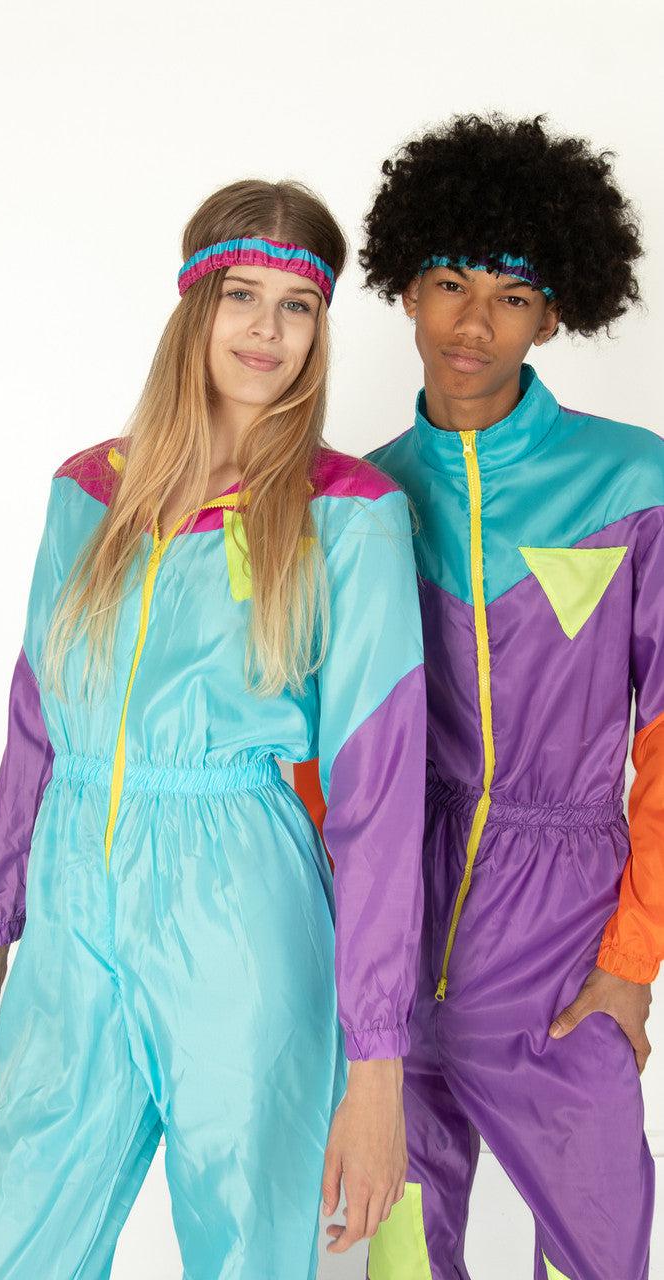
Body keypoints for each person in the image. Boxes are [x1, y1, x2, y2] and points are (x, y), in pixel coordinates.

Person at [0, 178, 427, 1278]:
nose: (266, 330)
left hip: (242, 915)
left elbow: (380, 795)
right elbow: (35, 728)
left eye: (297, 307)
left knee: (252, 1250)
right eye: (240, 295)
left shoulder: (348, 512)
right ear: (193, 305)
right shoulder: (87, 492)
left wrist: (376, 1066)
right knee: (8, 1243)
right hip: (72, 911)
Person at [295, 114, 659, 1279]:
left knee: (598, 1245)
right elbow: (315, 745)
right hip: (393, 934)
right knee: (402, 1254)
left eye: (512, 295)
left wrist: (629, 963)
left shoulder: (632, 481)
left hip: (564, 933)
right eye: (450, 283)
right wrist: (338, 934)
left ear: (553, 316)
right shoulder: (358, 501)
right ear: (405, 289)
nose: (472, 322)